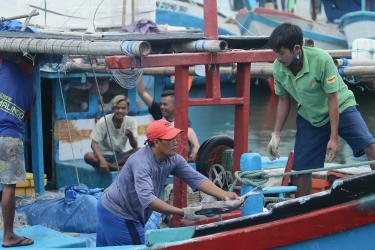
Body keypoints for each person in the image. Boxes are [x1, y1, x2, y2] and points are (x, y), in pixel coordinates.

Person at [267, 23, 375, 197]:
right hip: (310, 115)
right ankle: (302, 208)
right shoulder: (278, 68)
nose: (278, 58)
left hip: (340, 106)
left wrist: (333, 138)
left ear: (296, 49)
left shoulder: (321, 59)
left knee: (369, 145)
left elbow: (332, 99)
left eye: (281, 53)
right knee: (300, 171)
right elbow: (283, 100)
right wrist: (276, 134)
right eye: (276, 53)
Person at [96, 120, 239, 246]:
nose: (176, 141)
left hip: (112, 205)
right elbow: (149, 201)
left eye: (176, 137)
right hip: (118, 212)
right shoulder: (141, 163)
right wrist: (183, 212)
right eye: (170, 139)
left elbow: (197, 178)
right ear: (156, 142)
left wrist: (224, 194)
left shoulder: (174, 159)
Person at [0, 54, 34, 247]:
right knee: (9, 187)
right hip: (10, 137)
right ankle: (8, 235)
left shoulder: (3, 66)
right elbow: (26, 117)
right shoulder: (31, 85)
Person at [137, 78, 200, 162]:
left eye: (165, 104)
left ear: (175, 105)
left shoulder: (181, 117)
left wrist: (196, 146)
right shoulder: (158, 112)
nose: (162, 107)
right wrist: (139, 71)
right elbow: (142, 93)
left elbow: (189, 130)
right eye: (161, 104)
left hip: (179, 157)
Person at [84, 95, 138, 172]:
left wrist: (130, 136)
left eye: (123, 108)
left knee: (140, 151)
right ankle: (117, 168)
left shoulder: (131, 122)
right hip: (103, 156)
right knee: (88, 156)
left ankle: (112, 166)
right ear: (113, 109)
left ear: (127, 110)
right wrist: (102, 160)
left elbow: (134, 146)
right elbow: (94, 144)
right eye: (117, 108)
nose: (120, 111)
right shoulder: (103, 121)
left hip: (120, 156)